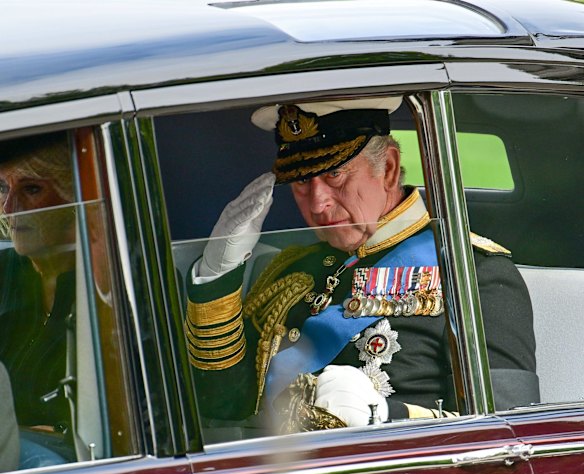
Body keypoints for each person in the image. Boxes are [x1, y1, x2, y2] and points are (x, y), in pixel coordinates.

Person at [185, 97, 539, 433]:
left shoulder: (472, 273)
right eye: (303, 181)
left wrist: (387, 416)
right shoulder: (291, 270)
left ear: (388, 168)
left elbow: (511, 429)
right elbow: (221, 404)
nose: (318, 203)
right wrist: (217, 274)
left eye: (335, 175)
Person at [0, 131, 77, 462]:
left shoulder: (113, 278)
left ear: (73, 197)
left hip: (69, 460)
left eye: (31, 189)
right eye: (3, 188)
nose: (8, 207)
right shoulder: (4, 270)